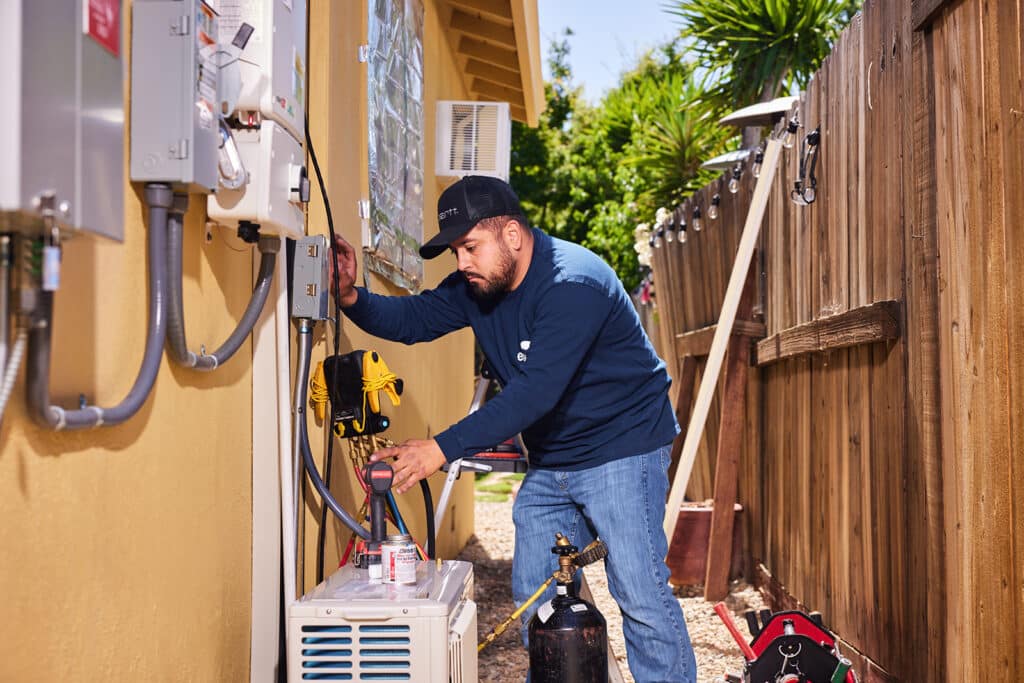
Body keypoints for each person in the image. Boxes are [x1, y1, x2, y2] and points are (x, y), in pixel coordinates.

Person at [331, 175, 696, 682]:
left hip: (623, 446)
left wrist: (441, 448)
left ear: (513, 235)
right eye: (456, 250)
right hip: (556, 456)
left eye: (470, 247)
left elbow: (533, 394)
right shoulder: (479, 286)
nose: (461, 262)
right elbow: (413, 319)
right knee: (536, 595)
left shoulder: (573, 284)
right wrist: (350, 295)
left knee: (639, 591)